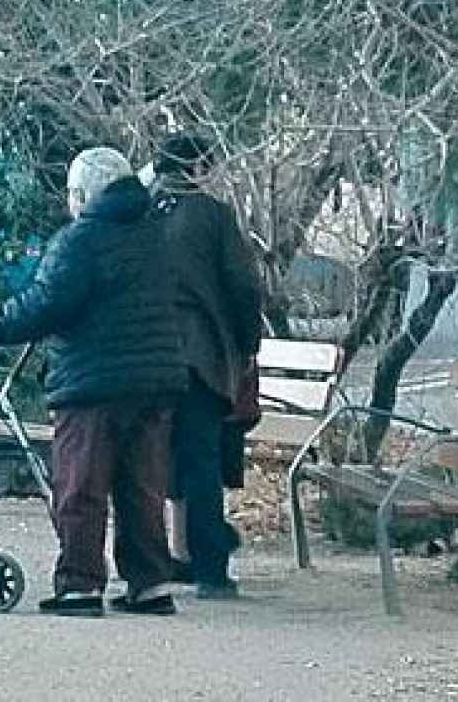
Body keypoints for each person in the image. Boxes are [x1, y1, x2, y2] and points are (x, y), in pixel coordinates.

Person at [0, 147, 191, 618]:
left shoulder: (80, 239)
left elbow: (44, 305)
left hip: (92, 382)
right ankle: (150, 584)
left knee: (80, 487)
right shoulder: (157, 233)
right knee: (141, 487)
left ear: (83, 194)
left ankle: (80, 585)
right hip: (155, 380)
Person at [139, 134, 263, 600]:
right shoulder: (212, 216)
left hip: (144, 353)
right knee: (201, 463)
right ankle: (211, 569)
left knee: (146, 461)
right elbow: (242, 286)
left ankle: (153, 561)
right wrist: (247, 344)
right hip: (197, 356)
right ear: (199, 167)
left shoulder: (140, 211)